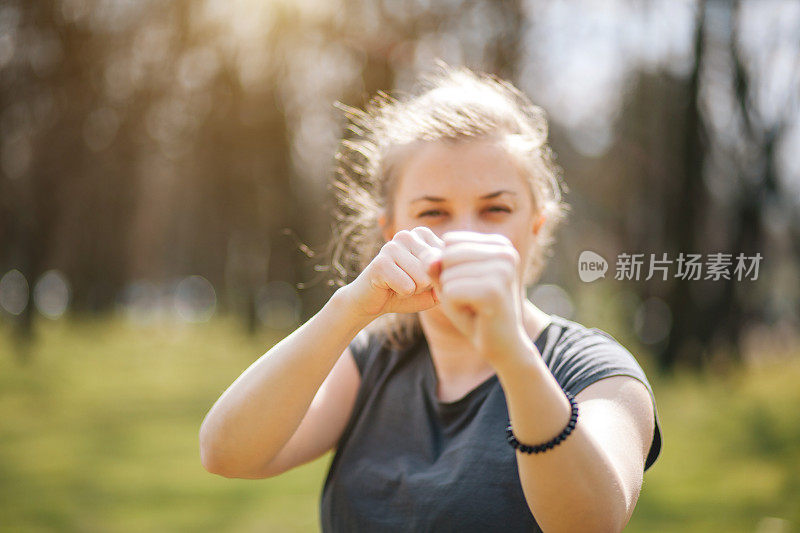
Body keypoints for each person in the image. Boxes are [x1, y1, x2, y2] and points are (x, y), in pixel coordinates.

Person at [199, 62, 662, 532]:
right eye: (433, 212)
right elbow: (225, 452)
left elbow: (592, 523)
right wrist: (349, 308)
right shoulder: (373, 359)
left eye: (495, 209)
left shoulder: (595, 371)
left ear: (537, 226)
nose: (463, 234)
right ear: (390, 230)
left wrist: (511, 354)